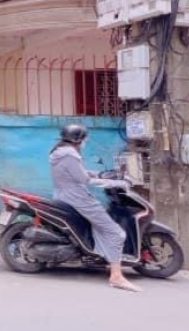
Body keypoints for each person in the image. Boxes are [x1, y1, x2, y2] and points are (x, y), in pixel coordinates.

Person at [49, 124, 141, 293]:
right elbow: (84, 180)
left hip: (63, 195)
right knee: (116, 233)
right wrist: (116, 182)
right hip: (79, 198)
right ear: (78, 140)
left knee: (99, 227)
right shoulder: (71, 155)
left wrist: (99, 174)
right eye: (84, 139)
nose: (85, 142)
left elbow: (78, 173)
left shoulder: (59, 152)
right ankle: (116, 276)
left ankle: (103, 257)